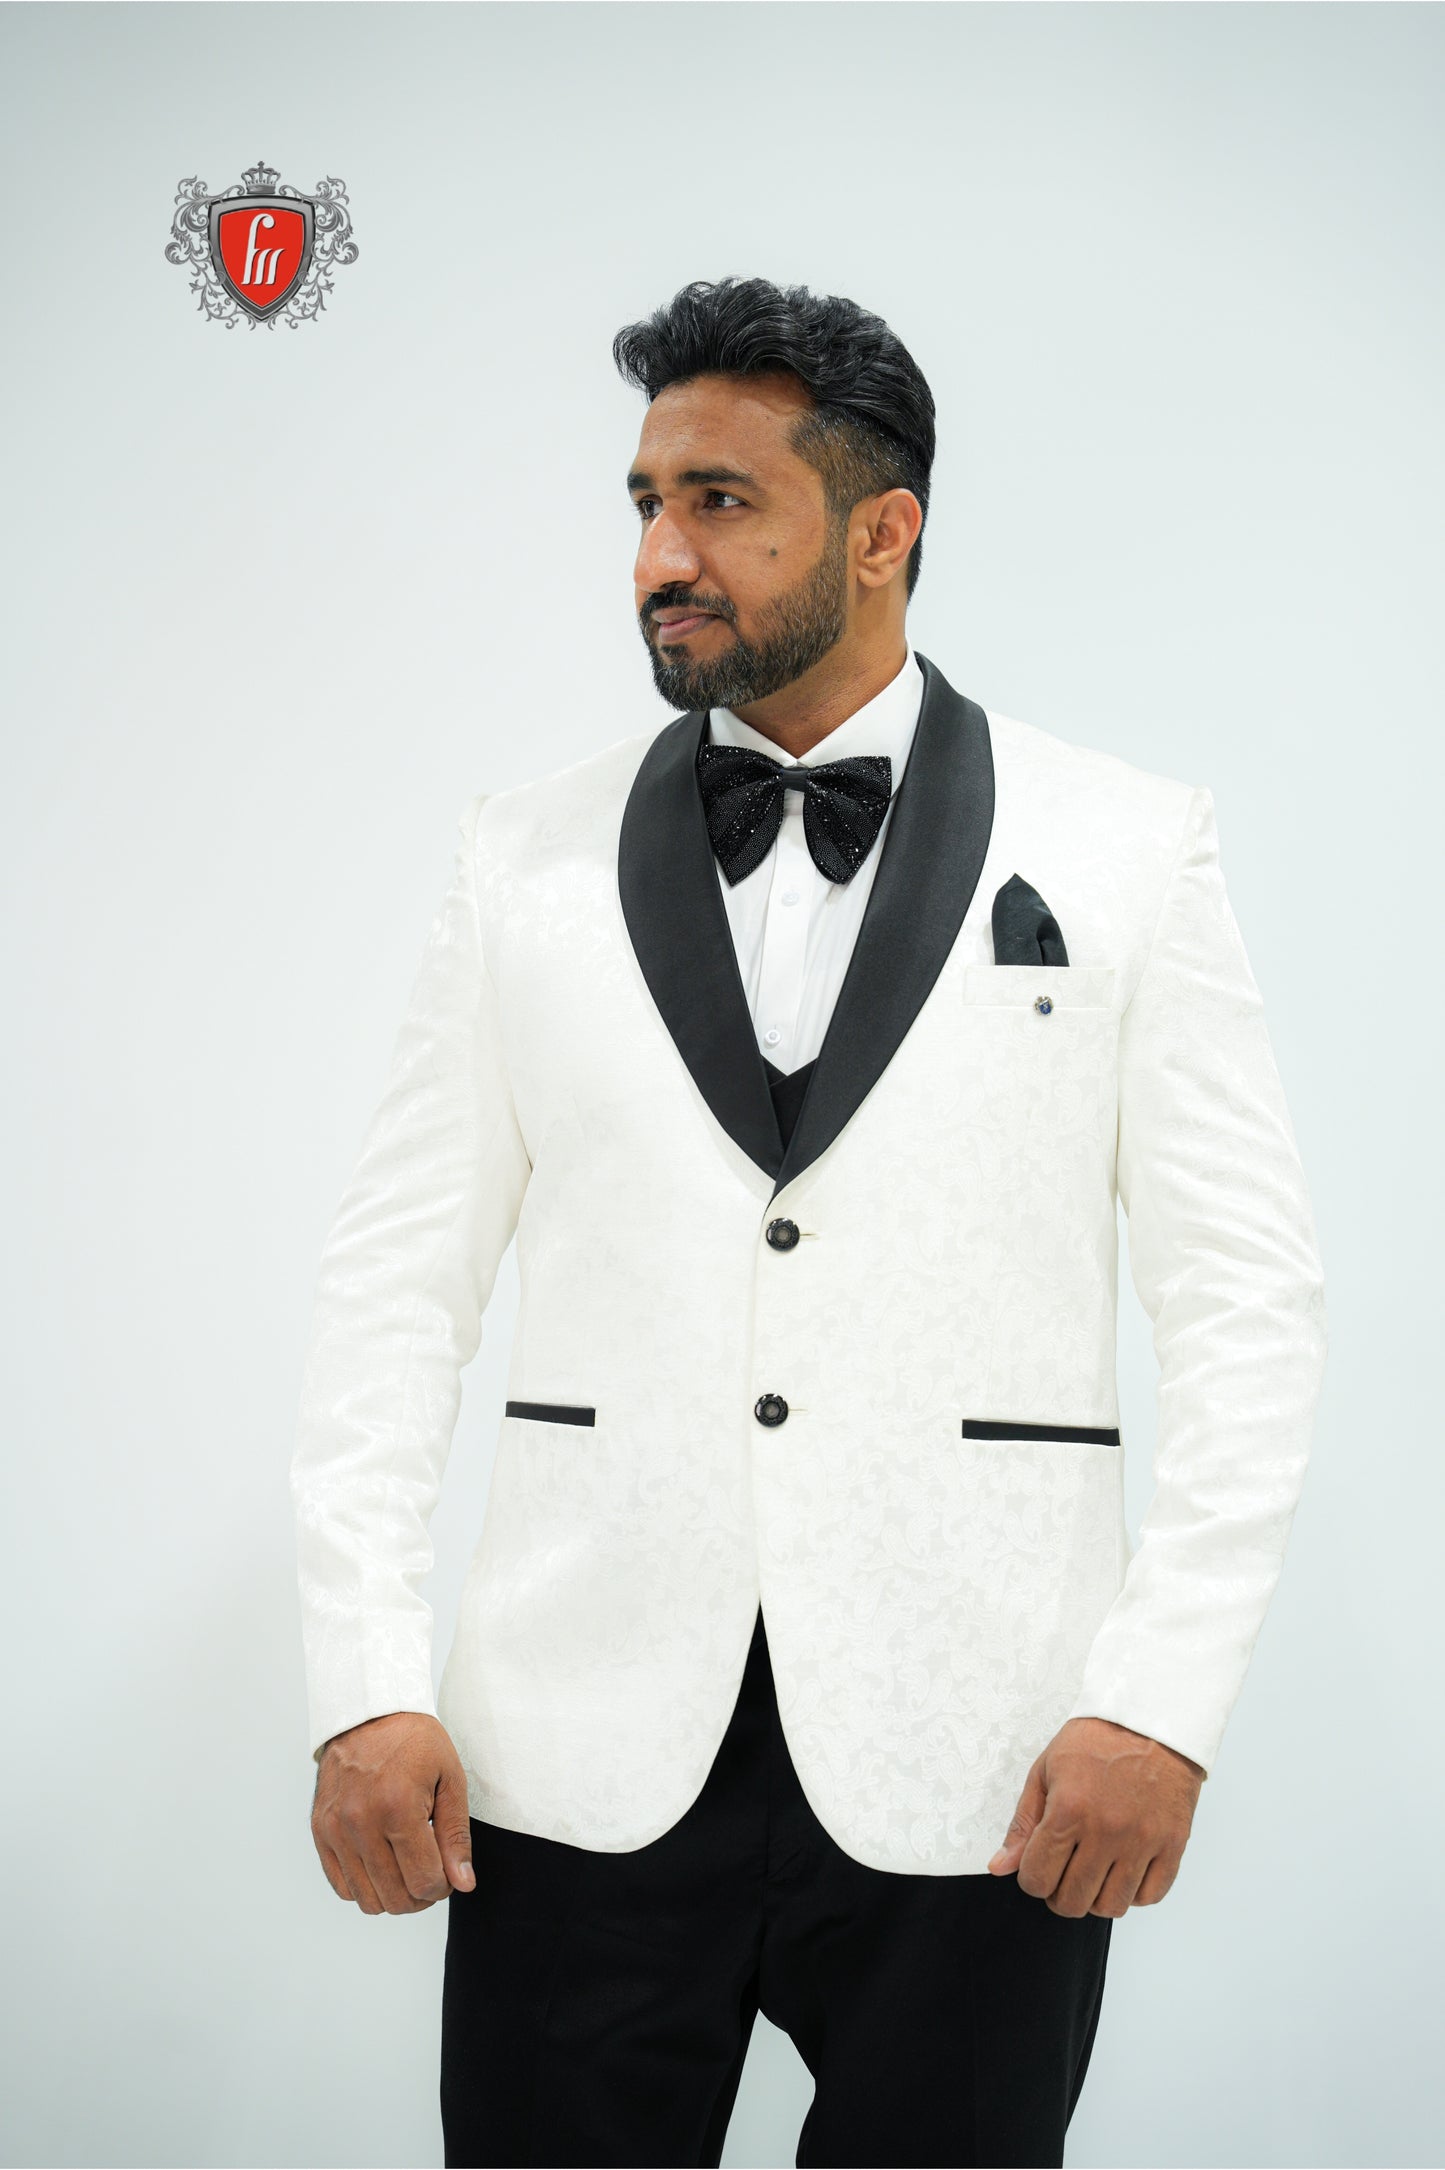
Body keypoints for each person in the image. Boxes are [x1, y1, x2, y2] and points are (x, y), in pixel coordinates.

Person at [289, 275, 1328, 2169]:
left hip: (993, 1755)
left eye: (719, 502)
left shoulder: (1126, 846)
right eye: (642, 502)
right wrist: (360, 1682)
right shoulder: (516, 858)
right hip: (577, 1749)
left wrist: (1160, 1706)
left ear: (879, 530)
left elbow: (1247, 1308)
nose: (658, 559)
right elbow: (391, 1294)